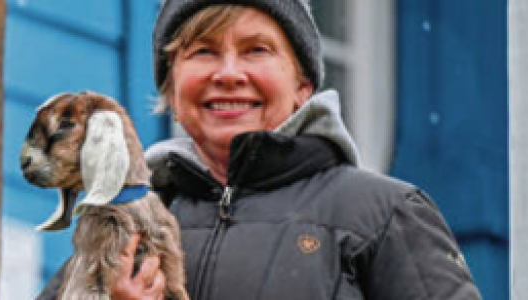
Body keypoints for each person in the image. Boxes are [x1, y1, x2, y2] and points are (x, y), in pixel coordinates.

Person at [38, 0, 481, 299]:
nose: (229, 73)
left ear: (303, 85)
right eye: (204, 52)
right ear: (172, 89)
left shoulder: (383, 215)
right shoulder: (122, 223)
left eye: (256, 50)